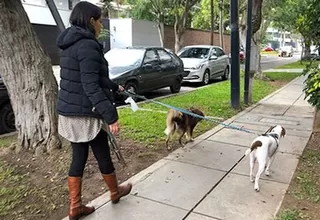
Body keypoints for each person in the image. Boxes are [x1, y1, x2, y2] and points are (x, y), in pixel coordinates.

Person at [56, 2, 132, 219]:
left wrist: (114, 86)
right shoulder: (88, 45)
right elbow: (90, 85)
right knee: (102, 153)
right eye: (99, 20)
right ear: (91, 20)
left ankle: (75, 206)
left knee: (78, 158)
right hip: (85, 113)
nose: (101, 24)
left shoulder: (70, 43)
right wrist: (111, 115)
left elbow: (89, 77)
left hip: (69, 111)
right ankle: (115, 192)